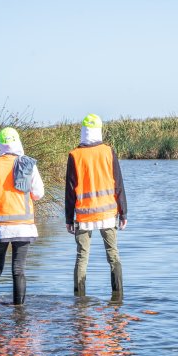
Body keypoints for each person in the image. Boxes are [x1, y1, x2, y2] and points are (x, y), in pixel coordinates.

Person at [0, 127, 44, 308]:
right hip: (23, 226)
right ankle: (19, 308)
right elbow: (39, 193)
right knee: (19, 269)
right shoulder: (28, 164)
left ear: (0, 144)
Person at [65, 113, 127, 298]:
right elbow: (118, 184)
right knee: (113, 255)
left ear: (83, 131)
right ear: (99, 130)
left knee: (82, 257)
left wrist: (69, 218)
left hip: (84, 216)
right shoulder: (108, 151)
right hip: (108, 214)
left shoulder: (75, 155)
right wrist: (123, 213)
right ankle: (118, 297)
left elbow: (70, 191)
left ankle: (79, 300)